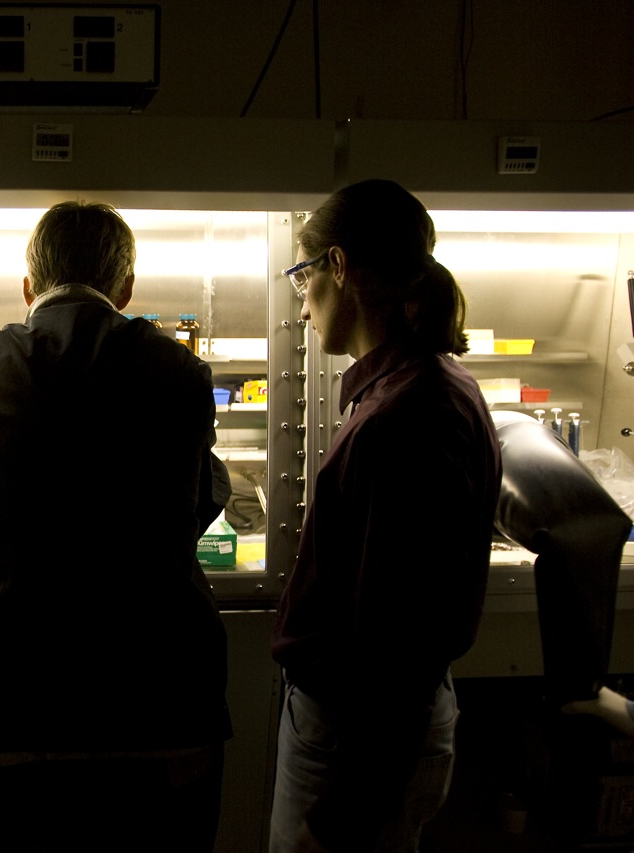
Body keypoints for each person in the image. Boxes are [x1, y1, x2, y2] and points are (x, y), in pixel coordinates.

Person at [0, 201, 234, 852]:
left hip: (13, 714)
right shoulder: (179, 372)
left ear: (29, 287)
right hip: (163, 709)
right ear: (126, 288)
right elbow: (198, 498)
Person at [268, 180, 502, 852]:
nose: (304, 302)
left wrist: (339, 817)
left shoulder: (401, 421)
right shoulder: (429, 386)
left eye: (304, 275)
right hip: (366, 732)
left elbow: (397, 650)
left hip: (353, 747)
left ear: (339, 267)